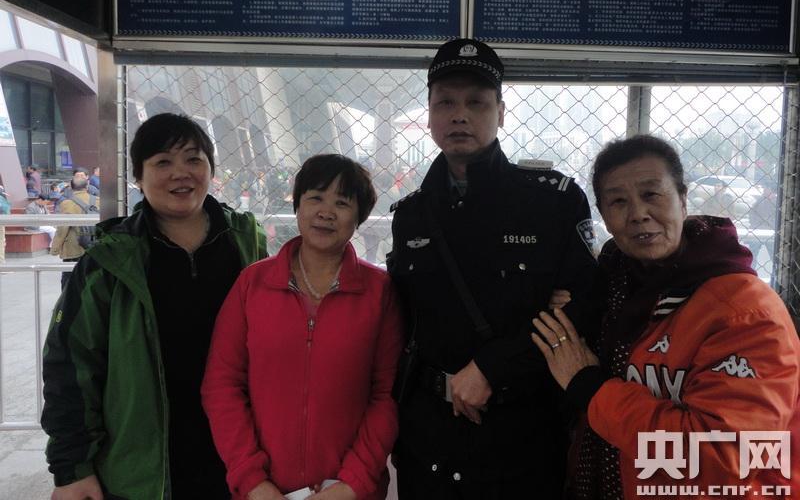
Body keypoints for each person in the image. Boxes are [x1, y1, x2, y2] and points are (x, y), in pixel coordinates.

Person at [531, 134, 800, 499]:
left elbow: (722, 459)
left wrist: (591, 389)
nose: (638, 213)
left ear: (683, 200)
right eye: (618, 201)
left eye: (652, 194)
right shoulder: (612, 287)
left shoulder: (744, 313)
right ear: (604, 216)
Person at [388, 38, 598, 498]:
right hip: (430, 439)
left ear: (501, 113)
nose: (459, 115)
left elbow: (584, 307)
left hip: (521, 436)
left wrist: (492, 367)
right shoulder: (412, 216)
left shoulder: (553, 202)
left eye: (476, 103)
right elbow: (407, 320)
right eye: (445, 103)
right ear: (429, 115)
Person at [41, 113, 268, 500]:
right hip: (144, 468)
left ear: (211, 169)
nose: (181, 173)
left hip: (239, 457)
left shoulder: (247, 242)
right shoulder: (109, 262)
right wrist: (72, 468)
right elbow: (70, 365)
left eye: (194, 159)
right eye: (163, 162)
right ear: (138, 178)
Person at [202, 154, 402, 500]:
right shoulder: (253, 284)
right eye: (315, 198)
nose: (326, 212)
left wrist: (353, 483)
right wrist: (251, 479)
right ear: (297, 205)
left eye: (342, 203)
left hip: (348, 492)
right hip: (262, 491)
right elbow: (222, 385)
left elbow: (388, 395)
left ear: (359, 217)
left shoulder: (379, 292)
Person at [50, 169, 100, 289]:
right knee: (91, 279)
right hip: (94, 245)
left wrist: (55, 248)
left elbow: (63, 228)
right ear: (87, 186)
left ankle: (69, 300)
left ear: (71, 188)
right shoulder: (98, 201)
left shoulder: (67, 204)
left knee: (69, 280)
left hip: (73, 247)